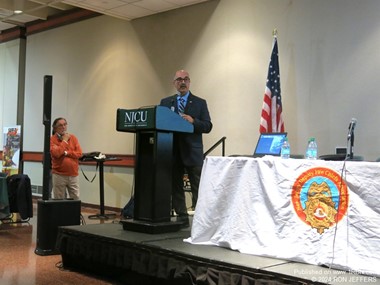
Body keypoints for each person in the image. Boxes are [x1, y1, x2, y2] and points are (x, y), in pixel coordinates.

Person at [160, 69, 212, 227]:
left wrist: (193, 120)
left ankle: (200, 219)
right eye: (179, 79)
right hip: (172, 151)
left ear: (189, 82)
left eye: (186, 79)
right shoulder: (165, 103)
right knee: (176, 185)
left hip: (192, 151)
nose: (183, 82)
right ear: (174, 83)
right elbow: (160, 122)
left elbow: (208, 126)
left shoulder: (199, 102)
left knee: (198, 186)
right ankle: (182, 217)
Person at [50, 117, 82, 200]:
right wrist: (64, 141)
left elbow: (79, 154)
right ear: (55, 128)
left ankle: (74, 213)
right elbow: (56, 153)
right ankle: (59, 213)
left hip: (73, 174)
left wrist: (67, 153)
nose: (63, 127)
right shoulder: (52, 140)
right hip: (59, 174)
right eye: (60, 125)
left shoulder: (73, 138)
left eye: (65, 124)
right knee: (58, 199)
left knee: (75, 198)